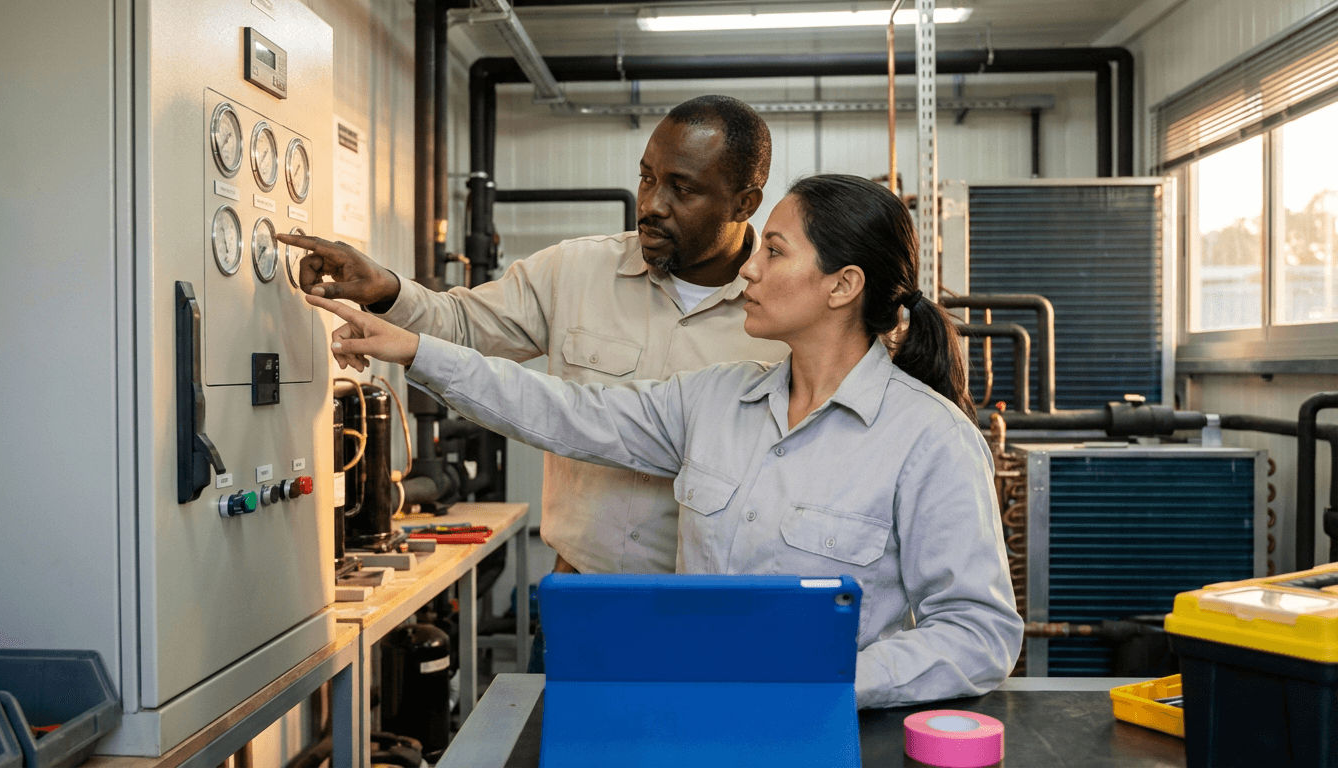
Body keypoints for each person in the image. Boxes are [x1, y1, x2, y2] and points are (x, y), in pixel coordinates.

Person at [303, 174, 1023, 707]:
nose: (749, 269)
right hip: (692, 713)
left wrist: (831, 682)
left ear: (843, 286)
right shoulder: (716, 400)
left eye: (774, 252)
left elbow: (979, 633)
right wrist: (416, 349)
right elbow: (561, 410)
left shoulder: (929, 440)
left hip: (829, 732)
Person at [279, 95, 788, 579]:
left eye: (683, 188)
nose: (652, 203)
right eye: (646, 177)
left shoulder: (785, 318)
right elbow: (461, 326)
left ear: (744, 203)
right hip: (583, 589)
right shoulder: (576, 270)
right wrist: (387, 290)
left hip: (715, 602)